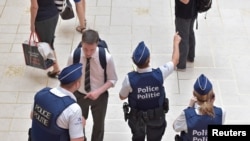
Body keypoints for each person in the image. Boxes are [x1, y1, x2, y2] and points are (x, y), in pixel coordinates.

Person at [119, 32, 181, 141]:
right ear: (149, 59)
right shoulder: (160, 73)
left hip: (136, 119)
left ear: (134, 61)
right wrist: (176, 42)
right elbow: (175, 61)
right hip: (157, 118)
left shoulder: (129, 79)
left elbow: (122, 96)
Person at [67, 29, 118, 141]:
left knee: (99, 125)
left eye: (92, 49)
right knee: (78, 124)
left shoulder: (106, 57)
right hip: (79, 95)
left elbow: (112, 79)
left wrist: (98, 92)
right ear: (81, 43)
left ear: (97, 44)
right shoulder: (74, 56)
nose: (88, 53)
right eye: (85, 49)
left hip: (100, 96)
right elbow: (68, 78)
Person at [30, 63, 86, 141]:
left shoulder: (42, 93)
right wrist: (81, 125)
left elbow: (32, 116)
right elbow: (77, 139)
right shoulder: (73, 109)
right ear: (77, 84)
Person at [173, 74, 226, 141]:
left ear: (194, 94)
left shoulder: (187, 115)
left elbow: (176, 127)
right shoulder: (221, 113)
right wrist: (211, 104)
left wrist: (189, 107)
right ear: (212, 96)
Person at [30, 0, 61, 78]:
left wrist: (32, 23)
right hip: (54, 14)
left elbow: (34, 7)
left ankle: (56, 69)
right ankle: (55, 67)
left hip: (42, 19)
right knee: (50, 41)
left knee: (47, 45)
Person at [175, 0, 197, 70]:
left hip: (184, 14)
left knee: (182, 38)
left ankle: (181, 64)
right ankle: (190, 56)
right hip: (193, 10)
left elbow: (185, 1)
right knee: (190, 32)